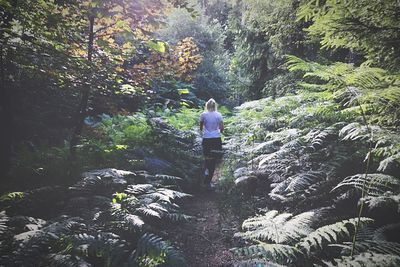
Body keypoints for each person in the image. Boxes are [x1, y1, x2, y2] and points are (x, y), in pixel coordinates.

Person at [199, 98, 224, 188]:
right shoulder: (219, 115)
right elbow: (222, 128)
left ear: (207, 105)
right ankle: (208, 181)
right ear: (215, 106)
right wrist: (217, 132)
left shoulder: (203, 114)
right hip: (216, 138)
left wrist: (206, 132)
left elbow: (201, 127)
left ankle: (205, 173)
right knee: (213, 159)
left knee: (206, 157)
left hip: (206, 138)